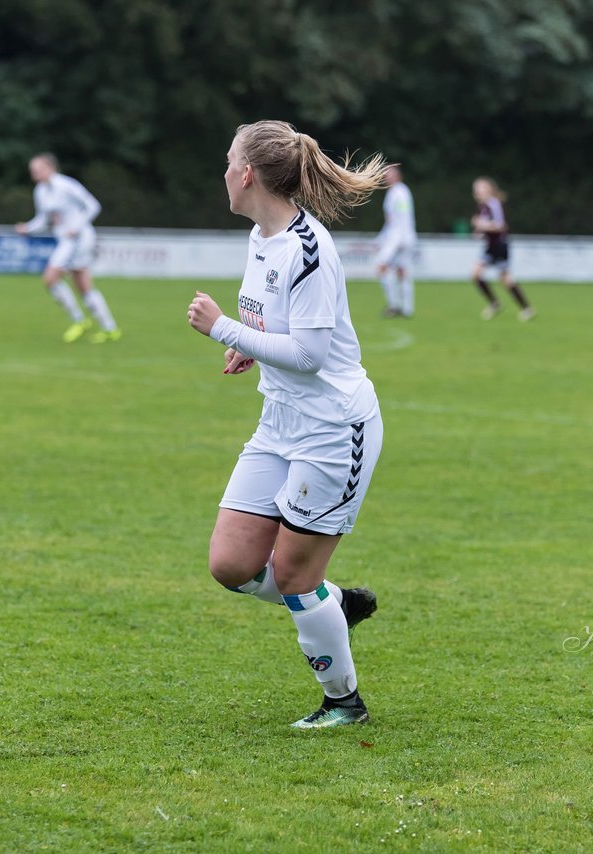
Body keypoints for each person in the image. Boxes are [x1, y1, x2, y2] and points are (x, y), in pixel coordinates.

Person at [187, 120, 385, 729]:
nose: (223, 172)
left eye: (227, 162)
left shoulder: (310, 249)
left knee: (294, 575)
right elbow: (282, 332)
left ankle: (342, 702)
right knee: (231, 564)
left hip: (333, 427)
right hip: (278, 422)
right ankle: (329, 605)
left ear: (247, 175)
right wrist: (249, 344)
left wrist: (222, 327)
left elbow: (311, 355)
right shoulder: (259, 236)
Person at [15, 153, 121, 344]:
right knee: (83, 286)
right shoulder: (40, 191)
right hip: (67, 241)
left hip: (79, 239)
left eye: (38, 169)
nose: (34, 173)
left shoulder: (66, 185)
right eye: (33, 170)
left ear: (50, 167)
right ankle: (110, 329)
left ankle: (79, 321)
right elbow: (43, 219)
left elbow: (93, 205)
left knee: (50, 279)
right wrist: (28, 228)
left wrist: (77, 227)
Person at [470, 176, 534, 321]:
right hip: (490, 246)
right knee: (475, 274)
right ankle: (494, 303)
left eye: (481, 189)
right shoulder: (483, 207)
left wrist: (481, 225)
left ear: (490, 190)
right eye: (476, 189)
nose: (478, 192)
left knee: (505, 279)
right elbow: (484, 227)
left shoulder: (494, 204)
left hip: (500, 245)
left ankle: (526, 308)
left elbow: (500, 225)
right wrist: (479, 232)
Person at [375, 164, 416, 318]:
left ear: (398, 176)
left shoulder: (399, 192)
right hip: (398, 237)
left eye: (389, 175)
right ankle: (404, 308)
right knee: (402, 271)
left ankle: (396, 305)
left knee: (383, 267)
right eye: (385, 175)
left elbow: (402, 217)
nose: (386, 178)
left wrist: (400, 238)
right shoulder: (397, 192)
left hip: (399, 238)